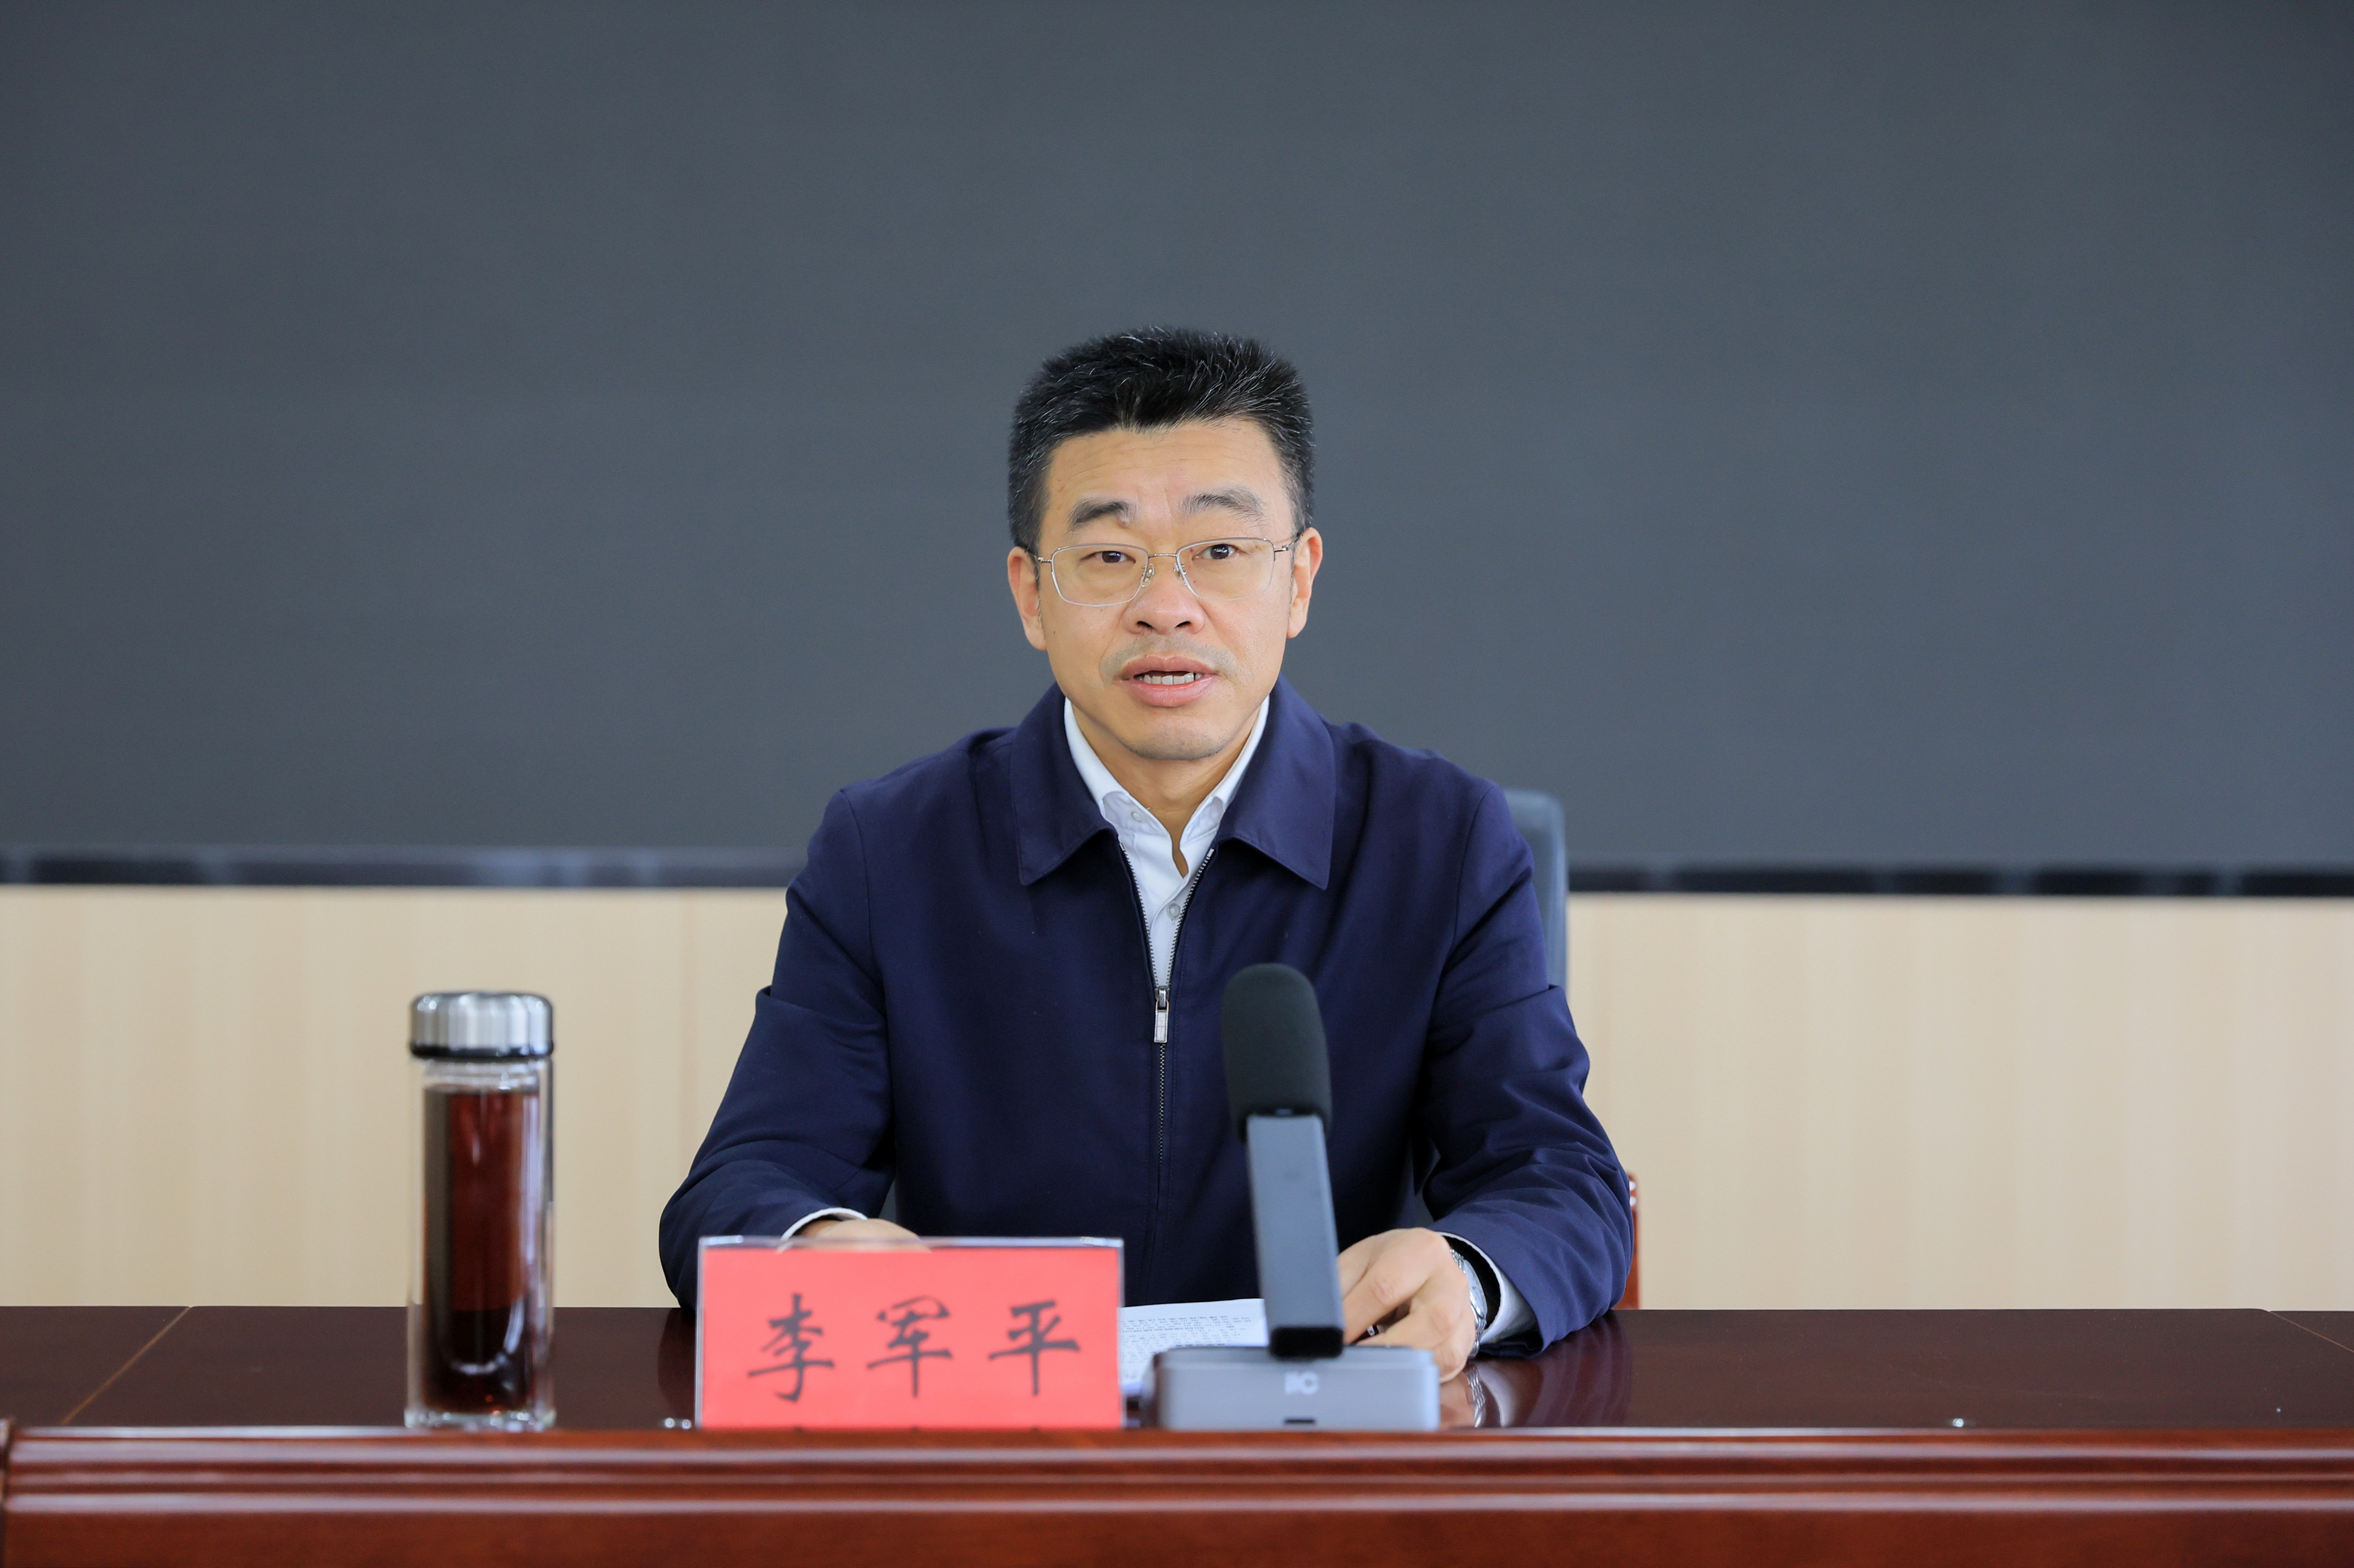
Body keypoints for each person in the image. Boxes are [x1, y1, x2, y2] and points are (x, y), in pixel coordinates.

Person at [660, 328, 1631, 1377]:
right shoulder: (889, 851)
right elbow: (746, 1182)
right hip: (1006, 1437)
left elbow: (1560, 1180)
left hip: (1318, 1435)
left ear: (1299, 581)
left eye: (1221, 552)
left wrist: (1470, 1279)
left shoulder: (1439, 842)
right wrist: (813, 1244)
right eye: (1110, 557)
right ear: (1031, 595)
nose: (1167, 607)